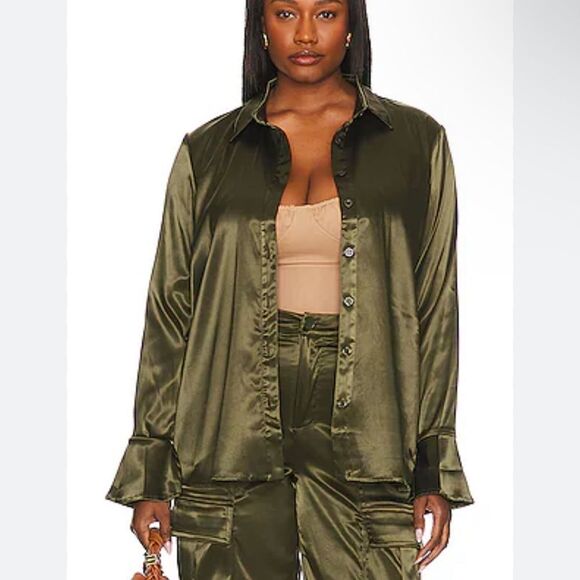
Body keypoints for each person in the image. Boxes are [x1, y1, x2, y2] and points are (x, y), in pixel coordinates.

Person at [105, 0, 475, 578]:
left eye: (325, 14)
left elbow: (434, 308)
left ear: (351, 25)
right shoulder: (208, 151)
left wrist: (434, 463)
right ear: (261, 25)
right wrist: (151, 467)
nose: (305, 34)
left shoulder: (416, 143)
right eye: (285, 14)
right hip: (229, 415)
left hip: (369, 420)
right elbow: (171, 311)